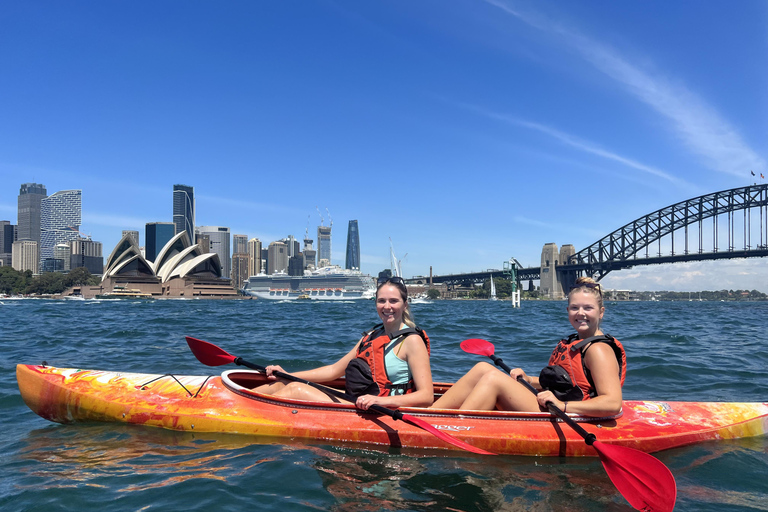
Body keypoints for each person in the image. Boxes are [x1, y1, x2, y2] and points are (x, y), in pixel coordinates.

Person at [432, 277, 625, 417]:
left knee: (493, 379)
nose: (580, 313)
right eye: (575, 308)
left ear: (601, 312)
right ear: (567, 311)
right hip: (556, 404)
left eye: (588, 308)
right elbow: (567, 384)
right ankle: (429, 415)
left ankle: (455, 428)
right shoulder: (575, 341)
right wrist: (529, 379)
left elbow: (612, 403)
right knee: (483, 368)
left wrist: (562, 405)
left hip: (570, 414)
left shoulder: (598, 350)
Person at [255, 277, 434, 410]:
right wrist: (287, 375)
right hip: (358, 402)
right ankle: (237, 404)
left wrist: (380, 401)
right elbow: (334, 371)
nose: (387, 306)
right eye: (381, 301)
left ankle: (251, 414)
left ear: (405, 305)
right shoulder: (372, 335)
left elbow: (426, 397)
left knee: (295, 390)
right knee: (283, 384)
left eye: (393, 301)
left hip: (381, 409)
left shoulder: (412, 341)